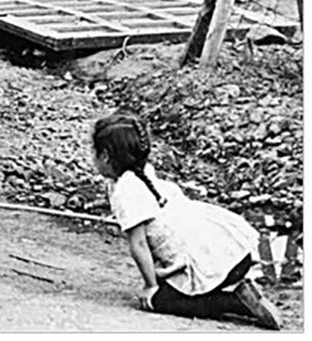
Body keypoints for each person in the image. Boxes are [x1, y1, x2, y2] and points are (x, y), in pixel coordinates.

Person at [91, 112, 282, 330]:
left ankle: (236, 303)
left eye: (94, 153)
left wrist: (150, 285)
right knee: (169, 281)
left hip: (216, 266)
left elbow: (139, 244)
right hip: (232, 252)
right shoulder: (143, 172)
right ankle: (234, 290)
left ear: (105, 156)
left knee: (160, 300)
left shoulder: (126, 190)